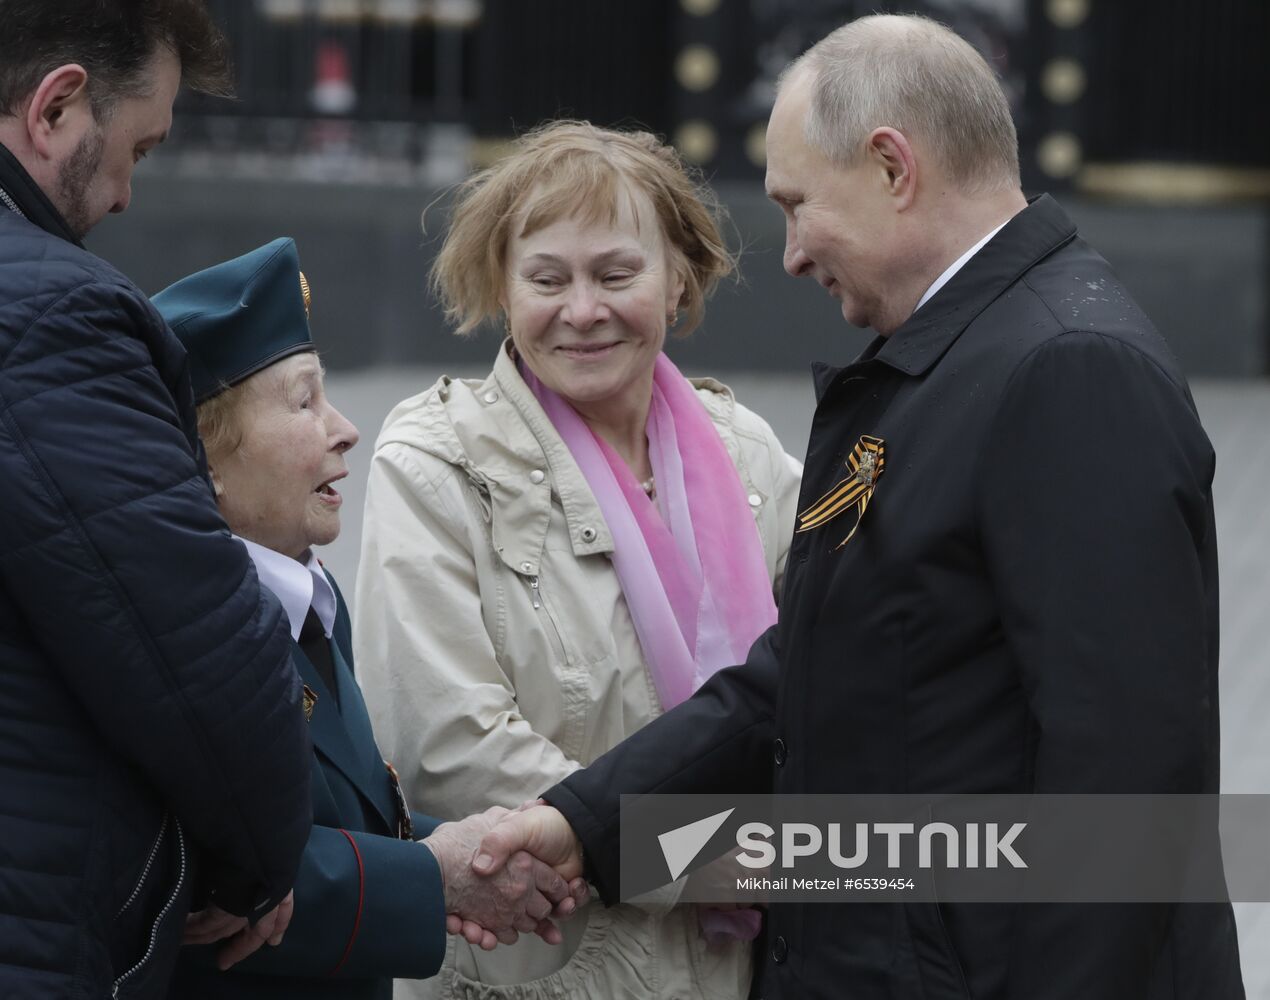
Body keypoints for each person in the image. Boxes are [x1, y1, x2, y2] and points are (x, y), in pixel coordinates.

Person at [470, 14, 1246, 1000]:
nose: (789, 253)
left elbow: (1125, 790)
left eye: (797, 204)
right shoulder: (941, 366)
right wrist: (584, 823)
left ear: (891, 167)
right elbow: (803, 675)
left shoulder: (1065, 368)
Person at [354, 121, 803, 998]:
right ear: (501, 288)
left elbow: (815, 702)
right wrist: (711, 857)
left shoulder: (753, 457)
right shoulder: (435, 463)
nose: (583, 309)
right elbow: (444, 744)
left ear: (679, 278)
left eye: (617, 273)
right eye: (547, 279)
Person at [151, 239, 586, 1000]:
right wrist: (437, 874)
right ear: (205, 457)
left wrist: (449, 853)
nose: (345, 428)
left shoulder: (309, 603)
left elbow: (350, 811)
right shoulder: (171, 631)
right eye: (303, 400)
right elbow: (208, 885)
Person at [0, 3, 312, 998]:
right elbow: (193, 654)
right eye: (137, 147)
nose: (129, 195)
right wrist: (256, 867)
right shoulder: (49, 311)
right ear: (56, 107)